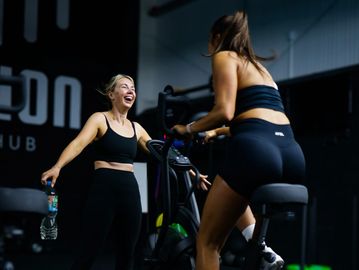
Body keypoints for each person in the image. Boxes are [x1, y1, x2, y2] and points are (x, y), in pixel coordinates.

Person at [172, 10, 306, 270]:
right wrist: (216, 132)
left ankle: (259, 247)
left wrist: (187, 128)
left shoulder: (224, 56)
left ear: (217, 37)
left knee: (208, 242)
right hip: (290, 152)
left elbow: (224, 111)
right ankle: (262, 248)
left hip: (257, 151)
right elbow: (256, 122)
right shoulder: (259, 67)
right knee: (234, 188)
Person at [40, 73, 211, 270]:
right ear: (111, 94)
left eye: (133, 88)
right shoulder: (99, 119)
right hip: (103, 189)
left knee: (127, 253)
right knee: (89, 251)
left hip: (129, 190)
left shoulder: (136, 128)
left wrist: (190, 170)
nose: (131, 91)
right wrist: (57, 166)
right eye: (124, 87)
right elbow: (78, 144)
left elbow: (163, 151)